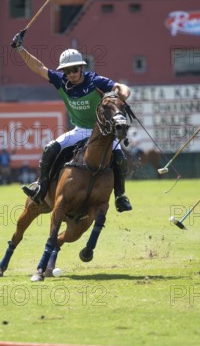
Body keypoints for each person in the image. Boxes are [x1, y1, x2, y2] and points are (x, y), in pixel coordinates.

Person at [10, 31, 132, 212]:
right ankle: (40, 187)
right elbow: (38, 67)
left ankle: (120, 196)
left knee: (120, 157)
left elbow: (121, 87)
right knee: (50, 147)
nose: (71, 74)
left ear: (81, 68)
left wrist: (122, 93)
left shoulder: (94, 80)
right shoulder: (61, 81)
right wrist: (20, 48)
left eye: (75, 69)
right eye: (67, 70)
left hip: (103, 132)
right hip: (80, 130)